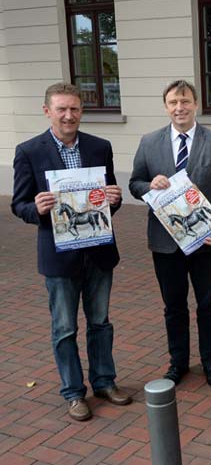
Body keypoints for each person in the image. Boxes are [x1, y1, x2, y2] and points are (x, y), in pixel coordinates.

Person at [11, 82, 132, 421]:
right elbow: (19, 205)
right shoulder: (29, 151)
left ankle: (105, 382)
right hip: (59, 256)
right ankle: (74, 393)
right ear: (47, 110)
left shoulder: (99, 147)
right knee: (64, 329)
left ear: (82, 111)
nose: (68, 115)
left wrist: (114, 200)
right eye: (61, 109)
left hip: (98, 252)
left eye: (74, 109)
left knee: (100, 323)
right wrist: (35, 208)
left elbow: (107, 202)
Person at [129, 80, 211, 388]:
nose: (180, 108)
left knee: (208, 304)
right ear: (166, 107)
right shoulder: (149, 143)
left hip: (206, 242)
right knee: (174, 306)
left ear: (196, 104)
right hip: (165, 245)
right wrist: (149, 185)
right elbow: (134, 183)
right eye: (174, 102)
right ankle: (178, 363)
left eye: (185, 101)